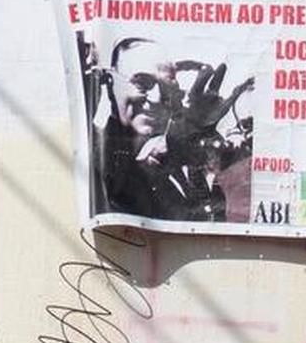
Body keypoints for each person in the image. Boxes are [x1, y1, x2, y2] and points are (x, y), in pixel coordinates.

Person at [90, 36, 253, 223]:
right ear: (110, 82)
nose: (157, 97)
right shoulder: (95, 150)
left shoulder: (180, 156)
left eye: (166, 87)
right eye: (142, 83)